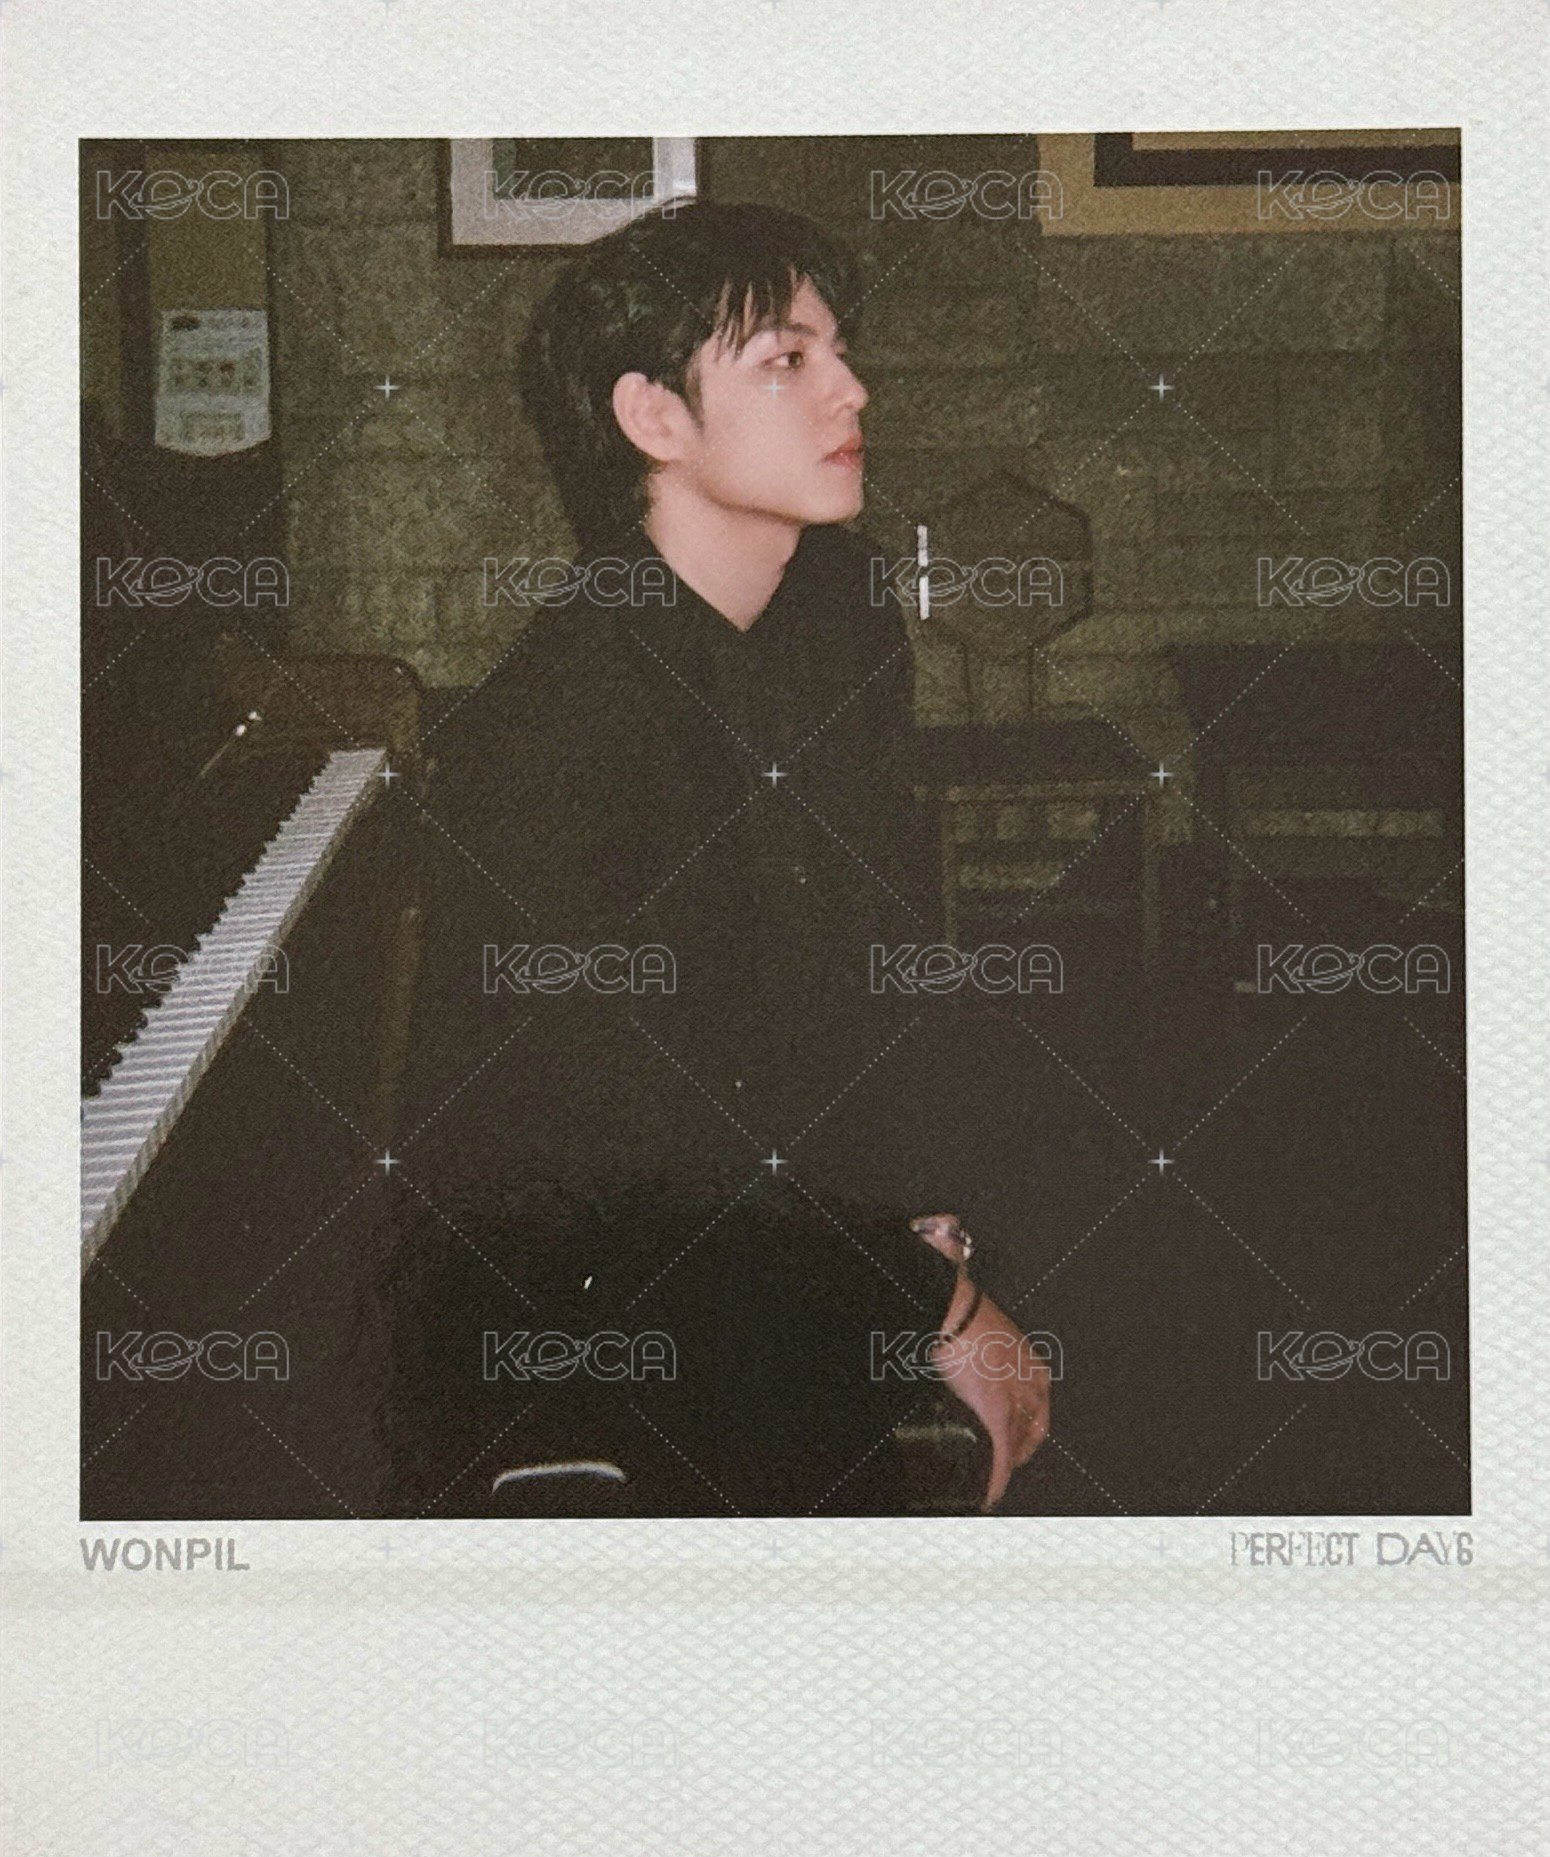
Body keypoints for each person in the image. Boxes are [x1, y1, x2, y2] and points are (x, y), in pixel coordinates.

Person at [382, 199, 1048, 1515]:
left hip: (770, 1203)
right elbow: (615, 1132)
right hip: (594, 1275)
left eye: (838, 350)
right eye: (787, 359)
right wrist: (930, 1297)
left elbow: (873, 945)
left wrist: (923, 1207)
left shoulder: (838, 611)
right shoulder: (560, 721)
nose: (852, 387)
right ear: (653, 418)